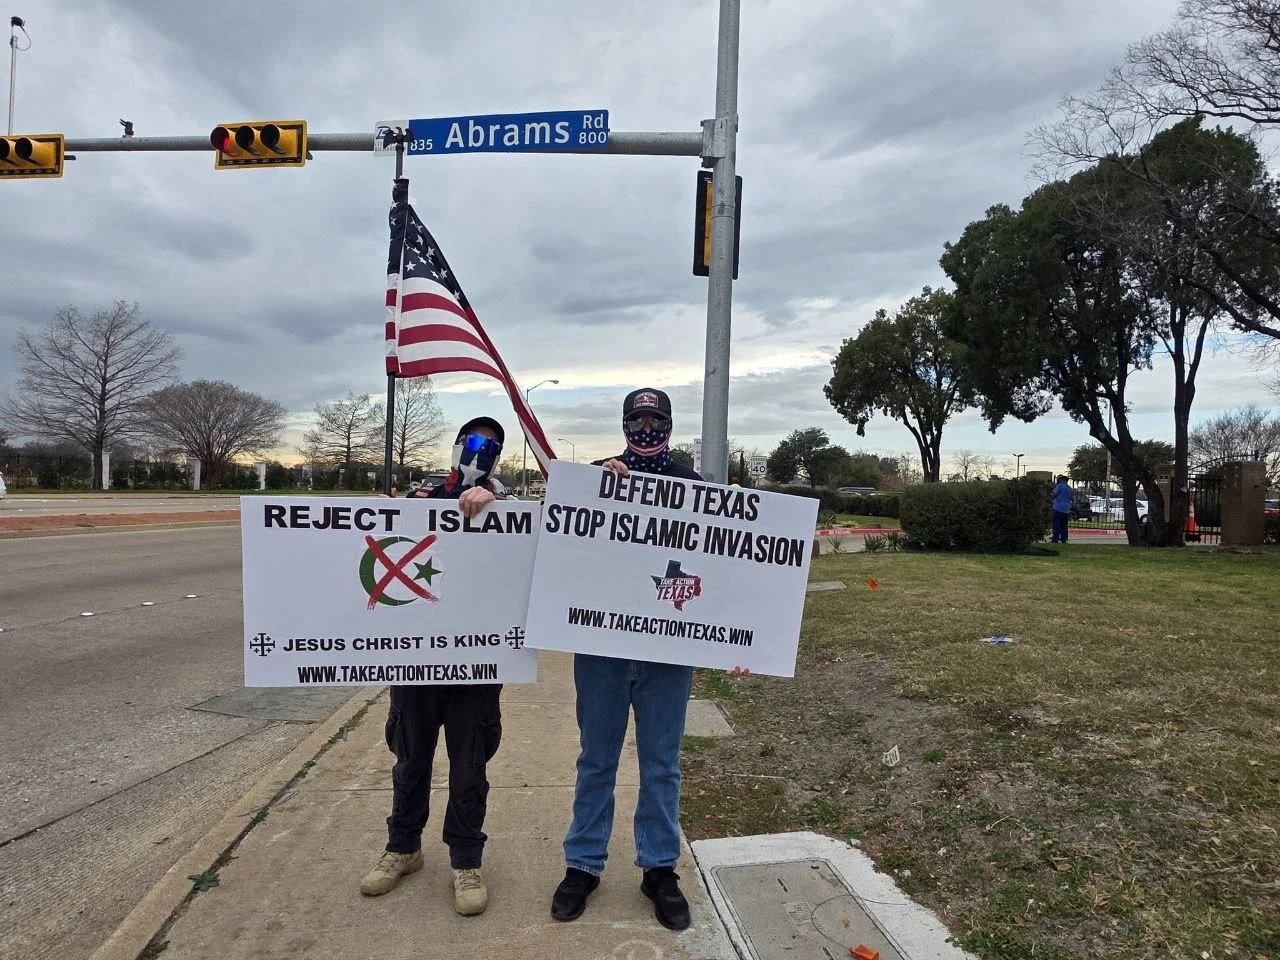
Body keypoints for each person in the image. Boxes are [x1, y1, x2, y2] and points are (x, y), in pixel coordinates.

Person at [550, 388, 748, 931]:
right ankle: (583, 864)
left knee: (662, 765)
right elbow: (558, 538)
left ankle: (659, 868)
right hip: (602, 651)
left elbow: (730, 569)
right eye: (635, 420)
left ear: (668, 424)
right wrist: (595, 487)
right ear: (622, 425)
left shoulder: (694, 489)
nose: (645, 429)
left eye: (655, 419)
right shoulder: (594, 479)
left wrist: (743, 641)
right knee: (597, 761)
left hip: (667, 653)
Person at [360, 416, 506, 916]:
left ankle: (466, 860)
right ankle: (403, 848)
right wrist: (385, 517)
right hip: (417, 660)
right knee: (410, 758)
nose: (478, 450)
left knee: (469, 767)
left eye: (490, 445)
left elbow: (523, 552)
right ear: (455, 445)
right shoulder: (420, 496)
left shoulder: (505, 505)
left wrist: (493, 505)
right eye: (471, 441)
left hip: (475, 665)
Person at [1051, 474, 1073, 544]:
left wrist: (1051, 498)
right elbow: (1071, 498)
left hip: (1057, 507)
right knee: (1064, 525)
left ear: (1062, 480)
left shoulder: (1059, 486)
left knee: (1056, 523)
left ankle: (1055, 538)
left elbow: (1054, 494)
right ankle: (1064, 538)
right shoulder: (1069, 488)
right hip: (1066, 508)